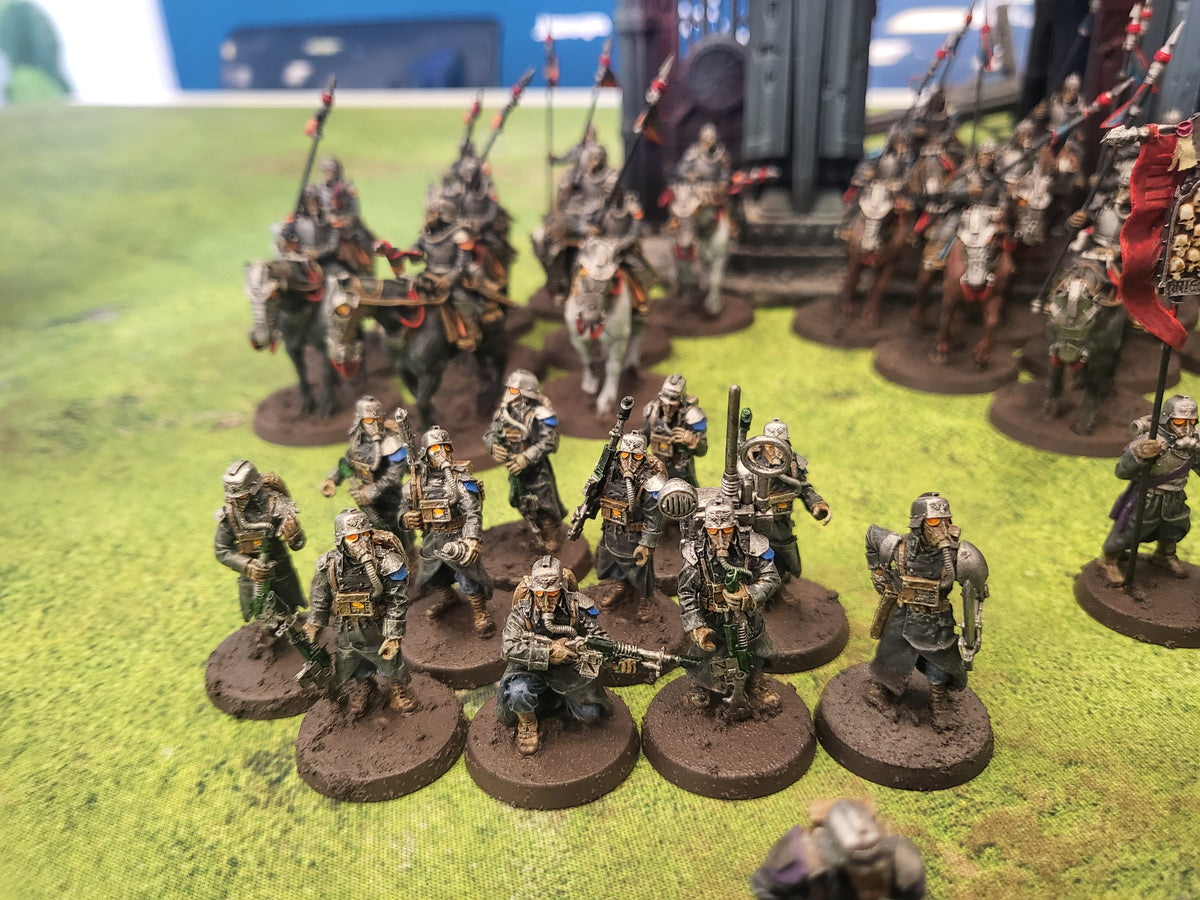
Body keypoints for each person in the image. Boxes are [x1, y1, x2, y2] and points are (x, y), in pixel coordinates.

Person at [865, 493, 989, 732]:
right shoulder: (898, 547)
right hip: (902, 615)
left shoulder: (960, 555)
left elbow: (974, 595)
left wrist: (971, 635)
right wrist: (877, 571)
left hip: (936, 620)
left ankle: (938, 700)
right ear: (919, 523)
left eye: (946, 520)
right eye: (933, 521)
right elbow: (872, 535)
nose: (941, 527)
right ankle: (879, 691)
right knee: (890, 657)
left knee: (940, 663)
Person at [496, 556, 636, 755]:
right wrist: (549, 652)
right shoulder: (522, 612)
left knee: (591, 716)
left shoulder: (577, 607)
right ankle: (527, 723)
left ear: (561, 588)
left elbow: (597, 636)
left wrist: (616, 658)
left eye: (552, 594)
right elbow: (508, 648)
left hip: (568, 671)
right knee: (518, 691)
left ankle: (558, 699)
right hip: (529, 668)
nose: (545, 601)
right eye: (539, 593)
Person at [302, 508, 416, 717]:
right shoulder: (330, 565)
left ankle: (396, 689)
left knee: (389, 662)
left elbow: (398, 600)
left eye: (364, 535)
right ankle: (366, 686)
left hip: (377, 625)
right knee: (350, 661)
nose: (361, 542)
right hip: (349, 626)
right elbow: (321, 596)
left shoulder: (387, 562)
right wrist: (314, 623)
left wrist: (393, 634)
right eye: (353, 537)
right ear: (341, 540)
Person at [677, 498, 781, 717]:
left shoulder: (753, 547)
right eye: (714, 531)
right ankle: (700, 685)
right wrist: (697, 627)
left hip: (745, 614)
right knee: (703, 654)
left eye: (726, 530)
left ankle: (755, 682)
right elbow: (686, 592)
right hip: (710, 615)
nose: (720, 538)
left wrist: (751, 594)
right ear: (706, 528)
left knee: (754, 647)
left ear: (735, 526)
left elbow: (771, 577)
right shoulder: (696, 553)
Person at [398, 426, 496, 637]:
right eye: (435, 449)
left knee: (468, 577)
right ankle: (449, 597)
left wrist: (471, 539)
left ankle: (480, 611)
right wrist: (406, 518)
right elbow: (403, 509)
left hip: (458, 536)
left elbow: (472, 513)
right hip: (433, 538)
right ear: (426, 454)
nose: (442, 454)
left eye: (446, 448)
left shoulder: (462, 481)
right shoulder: (416, 484)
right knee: (431, 576)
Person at [1098, 395, 1200, 584]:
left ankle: (1164, 555)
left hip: (1175, 495)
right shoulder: (1150, 440)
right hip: (1148, 497)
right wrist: (1138, 455)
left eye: (1191, 422)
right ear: (1167, 419)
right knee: (1130, 530)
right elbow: (1121, 471)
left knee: (1175, 527)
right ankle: (1108, 560)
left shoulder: (1193, 440)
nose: (1186, 427)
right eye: (1180, 422)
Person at [750, 798, 927, 900]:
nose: (866, 873)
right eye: (858, 866)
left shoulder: (903, 862)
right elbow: (766, 888)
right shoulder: (798, 857)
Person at [213, 460, 306, 638]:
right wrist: (247, 565)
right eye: (232, 498)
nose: (236, 503)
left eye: (241, 497)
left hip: (280, 573)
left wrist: (295, 537)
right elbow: (221, 549)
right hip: (253, 580)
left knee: (291, 614)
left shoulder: (277, 505)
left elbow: (298, 544)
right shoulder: (230, 515)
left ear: (254, 489)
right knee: (263, 621)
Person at [740, 417, 830, 590]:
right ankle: (759, 590)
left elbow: (804, 488)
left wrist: (817, 504)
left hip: (782, 522)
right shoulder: (751, 464)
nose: (775, 450)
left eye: (781, 444)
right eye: (770, 445)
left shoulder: (792, 463)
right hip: (756, 522)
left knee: (786, 558)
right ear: (763, 445)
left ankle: (780, 586)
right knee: (755, 558)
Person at [483, 370, 567, 553]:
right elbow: (491, 433)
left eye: (513, 390)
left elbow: (549, 440)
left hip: (536, 468)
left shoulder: (541, 413)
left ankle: (550, 533)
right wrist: (493, 446)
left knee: (544, 501)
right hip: (513, 466)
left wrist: (527, 457)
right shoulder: (504, 413)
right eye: (508, 389)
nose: (508, 393)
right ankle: (532, 523)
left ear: (525, 392)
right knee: (519, 498)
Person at [588, 432, 666, 622]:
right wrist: (585, 508)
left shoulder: (650, 481)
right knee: (611, 562)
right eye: (625, 455)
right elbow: (596, 496)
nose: (629, 461)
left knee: (641, 572)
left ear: (643, 457)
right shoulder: (609, 472)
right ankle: (620, 586)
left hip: (634, 537)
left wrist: (647, 543)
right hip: (610, 530)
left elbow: (654, 516)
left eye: (636, 457)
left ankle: (646, 599)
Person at [640, 374, 708, 485]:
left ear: (681, 401)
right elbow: (645, 436)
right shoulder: (653, 412)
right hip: (656, 470)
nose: (668, 409)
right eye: (665, 404)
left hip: (681, 473)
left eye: (673, 405)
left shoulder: (692, 416)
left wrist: (693, 441)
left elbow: (703, 450)